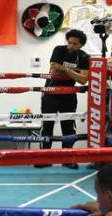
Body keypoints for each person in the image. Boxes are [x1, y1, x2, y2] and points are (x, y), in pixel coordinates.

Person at [37, 29, 89, 169]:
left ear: (81, 45)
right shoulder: (59, 50)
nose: (70, 46)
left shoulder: (84, 57)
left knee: (68, 128)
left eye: (75, 44)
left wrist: (65, 69)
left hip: (68, 96)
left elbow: (84, 80)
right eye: (69, 42)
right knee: (47, 127)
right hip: (50, 94)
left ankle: (67, 159)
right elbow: (53, 70)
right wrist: (74, 72)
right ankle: (44, 159)